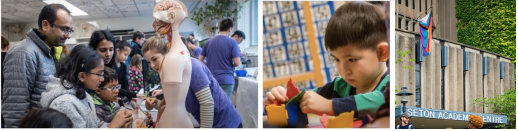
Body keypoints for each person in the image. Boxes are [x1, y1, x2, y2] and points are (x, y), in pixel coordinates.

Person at [264, 2, 389, 118]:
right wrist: (284, 99)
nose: (344, 71)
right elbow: (307, 99)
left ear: (382, 52)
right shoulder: (339, 86)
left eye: (351, 60)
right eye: (336, 59)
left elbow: (380, 101)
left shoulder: (389, 85)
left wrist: (329, 106)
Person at [143, 36, 242, 128]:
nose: (151, 65)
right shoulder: (167, 74)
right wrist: (155, 103)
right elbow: (173, 105)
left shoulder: (191, 65)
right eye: (148, 62)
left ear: (167, 52)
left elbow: (207, 102)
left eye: (154, 59)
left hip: (226, 123)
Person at [2, 4, 71, 127]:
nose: (68, 35)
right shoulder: (23, 52)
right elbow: (15, 107)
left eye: (70, 30)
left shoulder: (50, 51)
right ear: (45, 25)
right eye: (64, 29)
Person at [40, 45, 132, 128]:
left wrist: (120, 124)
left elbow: (95, 125)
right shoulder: (64, 104)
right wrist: (113, 125)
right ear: (82, 76)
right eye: (99, 74)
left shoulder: (83, 94)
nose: (102, 79)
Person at [89, 31, 144, 107]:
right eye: (103, 50)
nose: (108, 54)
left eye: (111, 50)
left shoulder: (119, 66)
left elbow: (122, 87)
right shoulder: (90, 71)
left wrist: (129, 98)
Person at [199, 18, 241, 98]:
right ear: (230, 29)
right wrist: (231, 64)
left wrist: (208, 64)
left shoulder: (208, 42)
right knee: (223, 107)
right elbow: (237, 62)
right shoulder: (232, 42)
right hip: (226, 80)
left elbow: (200, 60)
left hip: (211, 79)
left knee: (213, 106)